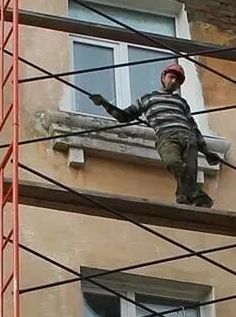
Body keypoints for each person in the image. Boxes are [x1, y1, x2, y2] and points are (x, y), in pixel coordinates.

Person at [91, 61, 221, 208]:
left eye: (177, 81)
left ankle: (184, 197)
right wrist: (104, 103)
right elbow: (124, 116)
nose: (173, 82)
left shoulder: (181, 102)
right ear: (163, 76)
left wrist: (206, 151)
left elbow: (194, 127)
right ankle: (199, 196)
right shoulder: (148, 99)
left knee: (190, 173)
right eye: (171, 77)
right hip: (167, 137)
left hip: (189, 139)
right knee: (173, 163)